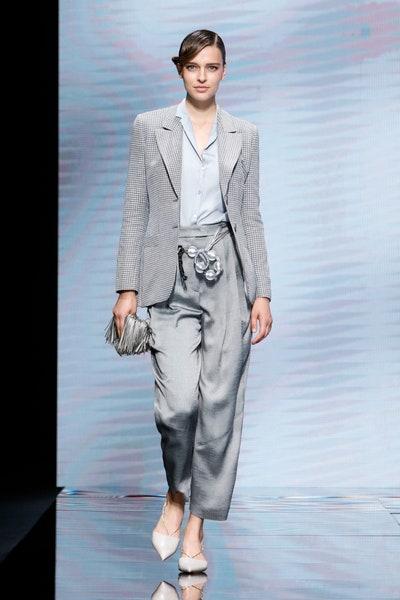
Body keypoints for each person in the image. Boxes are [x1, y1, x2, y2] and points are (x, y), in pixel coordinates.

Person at [112, 29, 273, 573]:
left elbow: (249, 215)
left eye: (212, 66)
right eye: (193, 66)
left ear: (224, 71)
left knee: (220, 405)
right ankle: (176, 494)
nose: (203, 76)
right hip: (168, 274)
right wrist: (127, 288)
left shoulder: (245, 134)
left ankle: (196, 527)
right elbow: (135, 208)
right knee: (178, 405)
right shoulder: (150, 126)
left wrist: (261, 291)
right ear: (179, 69)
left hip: (228, 276)